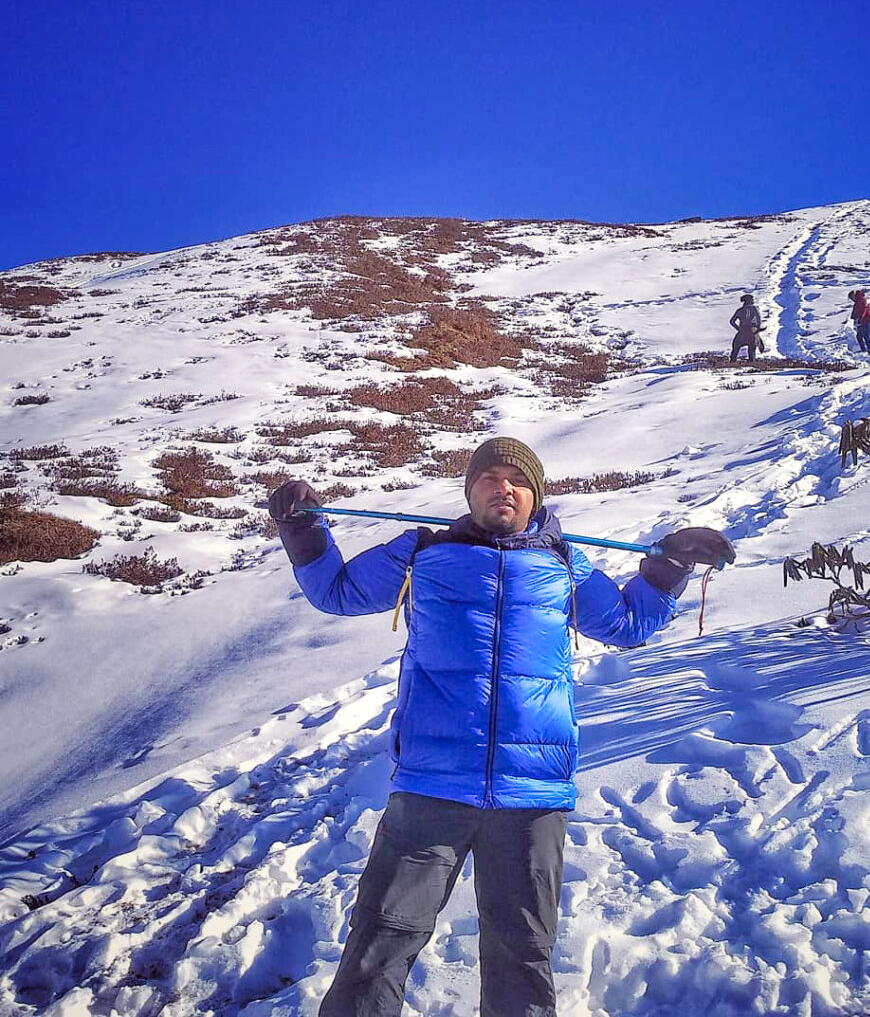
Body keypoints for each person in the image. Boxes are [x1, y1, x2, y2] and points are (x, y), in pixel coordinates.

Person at [269, 436, 735, 1017]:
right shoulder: (422, 551)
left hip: (532, 791)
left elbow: (624, 624)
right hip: (432, 785)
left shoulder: (564, 561)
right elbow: (336, 592)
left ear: (534, 495)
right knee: (379, 943)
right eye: (489, 477)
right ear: (470, 490)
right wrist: (304, 532)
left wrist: (670, 568)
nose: (503, 487)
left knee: (522, 953)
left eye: (517, 480)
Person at [729, 293, 763, 362]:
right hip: (752, 331)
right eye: (752, 300)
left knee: (735, 349)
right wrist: (756, 329)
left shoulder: (740, 310)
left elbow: (732, 321)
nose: (753, 301)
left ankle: (732, 362)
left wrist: (739, 329)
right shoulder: (754, 309)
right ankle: (752, 364)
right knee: (752, 351)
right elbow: (758, 320)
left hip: (742, 331)